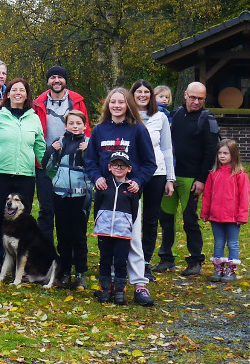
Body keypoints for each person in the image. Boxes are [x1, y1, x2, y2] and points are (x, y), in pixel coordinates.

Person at [85, 87, 157, 306]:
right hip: (105, 196)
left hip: (128, 196)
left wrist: (138, 181)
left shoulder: (137, 130)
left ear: (128, 105)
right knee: (106, 240)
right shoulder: (99, 130)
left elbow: (149, 163)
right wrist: (96, 177)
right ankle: (108, 284)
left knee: (132, 240)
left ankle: (139, 284)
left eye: (121, 102)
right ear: (108, 105)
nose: (117, 106)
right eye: (113, 102)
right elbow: (90, 161)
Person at [0, 78, 44, 275]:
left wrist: (50, 171)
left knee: (20, 222)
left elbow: (40, 147)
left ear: (27, 95)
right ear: (7, 94)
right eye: (14, 90)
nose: (18, 93)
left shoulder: (34, 119)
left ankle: (20, 267)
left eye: (22, 90)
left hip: (25, 176)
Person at [159, 82, 218, 277]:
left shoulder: (206, 119)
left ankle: (195, 260)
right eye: (192, 97)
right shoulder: (174, 115)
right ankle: (166, 258)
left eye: (200, 98)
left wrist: (202, 179)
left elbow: (211, 152)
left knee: (190, 220)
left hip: (191, 178)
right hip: (170, 176)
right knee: (166, 218)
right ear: (185, 95)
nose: (196, 101)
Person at [33, 66, 91, 241]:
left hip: (73, 165)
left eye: (60, 77)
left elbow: (85, 129)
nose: (56, 80)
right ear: (48, 81)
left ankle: (71, 253)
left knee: (71, 211)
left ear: (65, 80)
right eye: (52, 77)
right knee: (46, 210)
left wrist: (85, 152)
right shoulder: (38, 103)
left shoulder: (77, 101)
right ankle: (46, 254)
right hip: (46, 163)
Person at [130, 80, 175, 284]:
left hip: (157, 173)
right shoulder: (128, 116)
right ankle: (128, 258)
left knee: (150, 218)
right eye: (138, 91)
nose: (142, 95)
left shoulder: (160, 118)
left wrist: (170, 179)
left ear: (151, 95)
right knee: (130, 216)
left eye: (146, 92)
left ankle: (145, 262)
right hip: (131, 172)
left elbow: (167, 148)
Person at [41, 110, 91, 290]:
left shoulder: (88, 143)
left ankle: (80, 272)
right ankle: (65, 271)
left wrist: (88, 152)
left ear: (84, 125)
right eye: (71, 123)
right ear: (65, 125)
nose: (75, 126)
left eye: (78, 123)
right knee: (62, 234)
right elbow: (47, 166)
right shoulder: (60, 143)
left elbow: (94, 167)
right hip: (60, 195)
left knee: (79, 234)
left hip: (81, 195)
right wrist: (50, 150)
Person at [91, 152, 139, 305]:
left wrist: (127, 223)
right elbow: (97, 205)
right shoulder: (103, 185)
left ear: (129, 169)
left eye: (122, 165)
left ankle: (120, 290)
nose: (119, 168)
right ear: (109, 167)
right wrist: (100, 221)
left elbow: (135, 210)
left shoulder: (131, 189)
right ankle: (105, 289)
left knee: (120, 261)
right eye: (115, 165)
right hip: (104, 230)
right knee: (105, 259)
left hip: (122, 232)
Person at [201, 140, 250, 283]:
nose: (222, 156)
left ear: (233, 155)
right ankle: (218, 269)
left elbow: (244, 197)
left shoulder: (240, 175)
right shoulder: (213, 174)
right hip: (216, 216)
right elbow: (207, 195)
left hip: (233, 217)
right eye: (220, 153)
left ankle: (231, 270)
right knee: (219, 242)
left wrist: (242, 215)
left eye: (225, 153)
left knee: (233, 243)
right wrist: (205, 212)